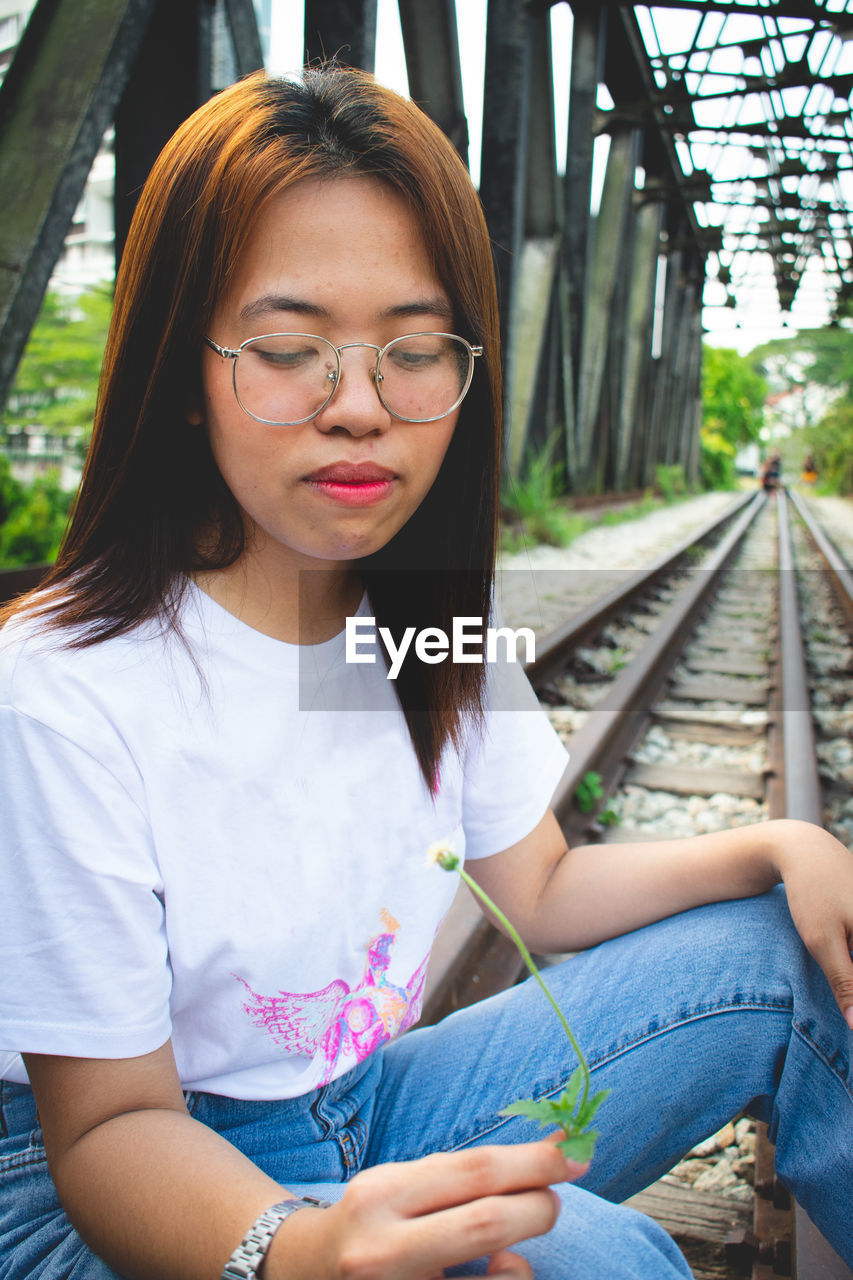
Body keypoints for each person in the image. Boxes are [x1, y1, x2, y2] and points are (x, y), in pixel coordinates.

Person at [1, 66, 852, 1280]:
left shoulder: (420, 618)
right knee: (622, 1268)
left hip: (355, 1108)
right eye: (289, 349)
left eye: (412, 350)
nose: (361, 406)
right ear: (182, 376)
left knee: (790, 954)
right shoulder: (65, 687)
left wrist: (775, 848)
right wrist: (305, 1250)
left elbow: (543, 885)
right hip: (114, 1184)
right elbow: (109, 1129)